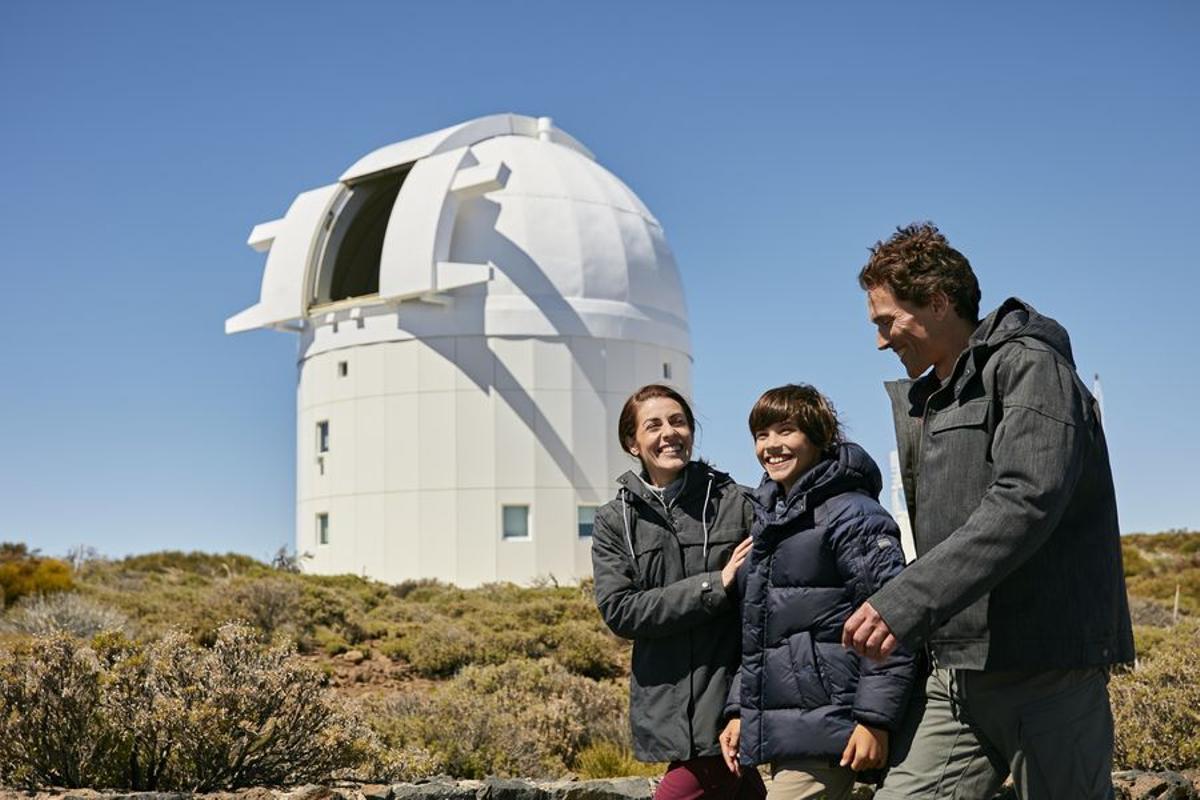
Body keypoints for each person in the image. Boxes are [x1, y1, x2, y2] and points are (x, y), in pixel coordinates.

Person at [843, 222, 1135, 799]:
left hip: (1045, 669)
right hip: (958, 677)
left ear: (938, 301)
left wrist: (906, 600)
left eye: (886, 320)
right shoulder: (935, 395)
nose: (879, 340)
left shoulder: (1031, 367)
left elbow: (1026, 498)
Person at [719, 385, 915, 800]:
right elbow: (760, 636)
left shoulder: (854, 515)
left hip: (833, 725)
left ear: (821, 435)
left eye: (785, 431)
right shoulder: (771, 521)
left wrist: (874, 719)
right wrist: (739, 710)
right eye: (761, 435)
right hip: (792, 728)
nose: (770, 445)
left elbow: (896, 619)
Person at [592, 384, 766, 800]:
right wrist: (714, 584)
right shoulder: (614, 522)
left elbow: (763, 615)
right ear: (632, 442)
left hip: (725, 706)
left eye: (678, 421)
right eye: (653, 425)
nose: (669, 432)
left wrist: (743, 705)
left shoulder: (737, 503)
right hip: (666, 708)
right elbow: (621, 611)